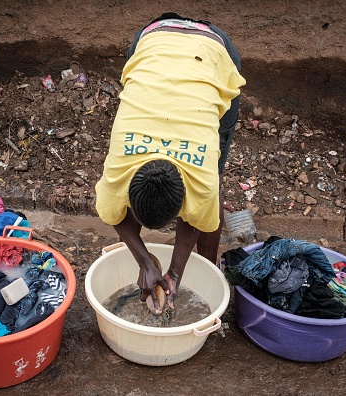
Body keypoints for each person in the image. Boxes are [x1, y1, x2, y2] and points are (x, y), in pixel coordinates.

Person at [95, 12, 246, 314]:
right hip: (152, 39)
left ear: (185, 199)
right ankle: (190, 265)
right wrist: (144, 259)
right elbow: (112, 214)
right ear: (128, 190)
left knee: (212, 192)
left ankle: (207, 265)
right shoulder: (118, 167)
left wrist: (175, 272)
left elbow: (198, 217)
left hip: (214, 53)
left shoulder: (203, 178)